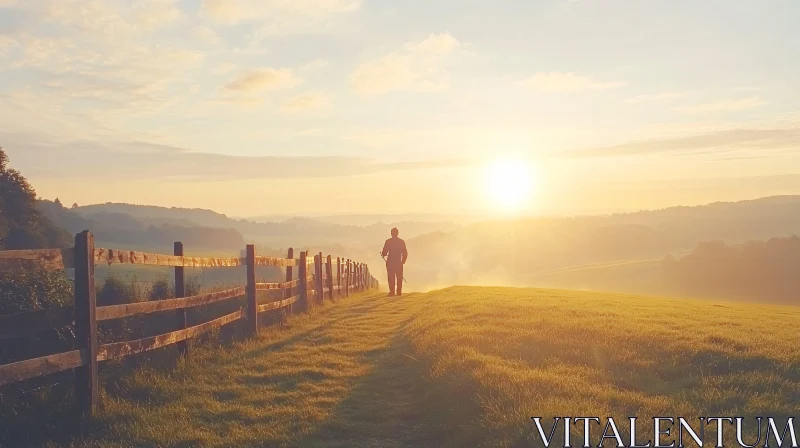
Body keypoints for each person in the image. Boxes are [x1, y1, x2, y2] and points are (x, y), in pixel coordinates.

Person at [381, 227, 408, 296]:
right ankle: (399, 292)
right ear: (397, 233)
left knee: (391, 277)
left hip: (390, 262)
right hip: (399, 262)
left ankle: (392, 292)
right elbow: (405, 253)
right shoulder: (401, 242)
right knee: (399, 277)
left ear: (391, 233)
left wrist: (383, 254)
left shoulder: (388, 241)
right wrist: (403, 261)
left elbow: (384, 252)